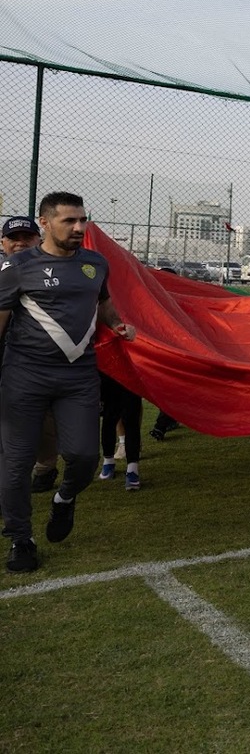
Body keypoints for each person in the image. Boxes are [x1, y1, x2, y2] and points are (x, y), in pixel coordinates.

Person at [1, 192, 137, 573]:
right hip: (24, 375)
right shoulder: (18, 266)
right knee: (15, 464)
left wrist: (117, 324)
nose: (79, 228)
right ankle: (20, 539)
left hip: (78, 375)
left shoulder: (96, 263)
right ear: (44, 223)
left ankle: (64, 499)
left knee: (84, 456)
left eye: (82, 220)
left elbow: (103, 303)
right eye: (69, 221)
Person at [1, 215, 61, 494]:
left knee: (42, 415)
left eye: (27, 237)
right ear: (3, 243)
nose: (21, 243)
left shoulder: (54, 270)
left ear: (39, 239)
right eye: (14, 239)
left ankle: (46, 465)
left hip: (37, 357)